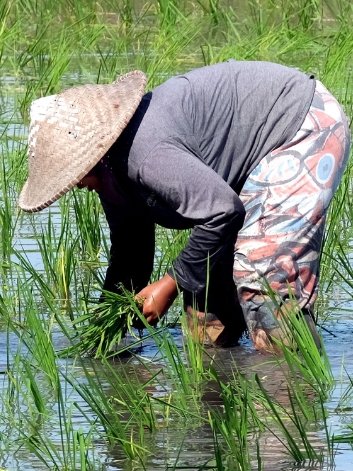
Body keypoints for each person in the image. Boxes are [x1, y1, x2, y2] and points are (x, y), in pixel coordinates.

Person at [18, 61, 350, 352]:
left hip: (300, 125)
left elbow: (222, 211)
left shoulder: (145, 155)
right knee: (204, 306)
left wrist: (170, 284)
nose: (75, 184)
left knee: (261, 274)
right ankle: (219, 406)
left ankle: (292, 398)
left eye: (73, 174)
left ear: (93, 155)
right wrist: (111, 325)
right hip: (248, 163)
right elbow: (130, 252)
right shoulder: (111, 173)